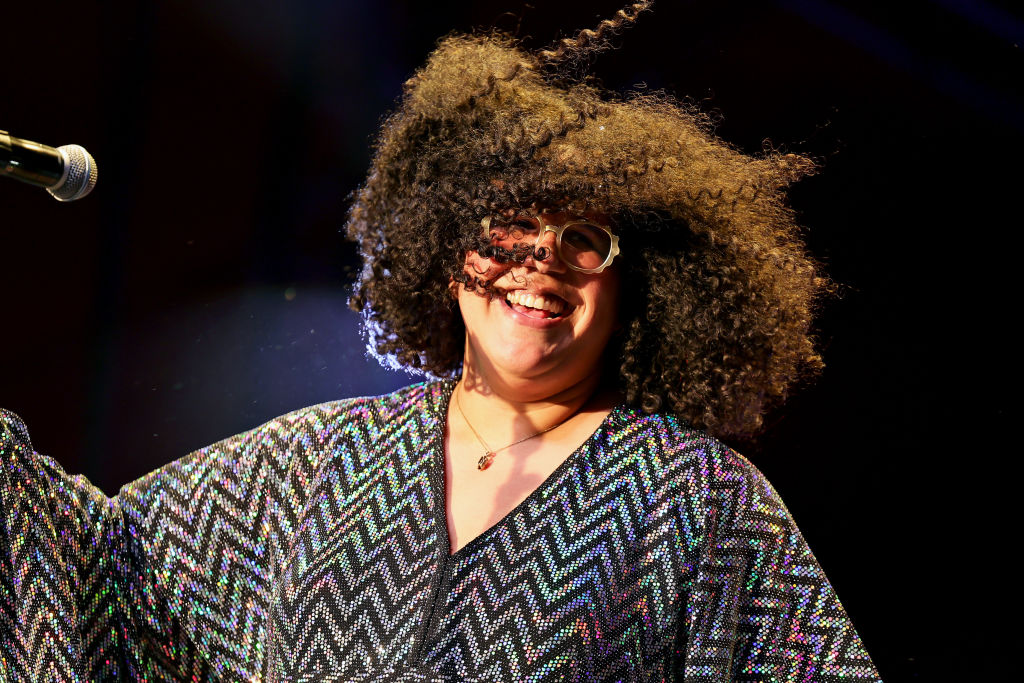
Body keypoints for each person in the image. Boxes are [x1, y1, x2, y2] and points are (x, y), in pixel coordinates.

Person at [0, 4, 881, 681]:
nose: (541, 258)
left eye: (585, 239)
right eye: (510, 227)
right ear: (447, 257)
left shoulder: (695, 500)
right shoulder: (316, 461)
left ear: (634, 286)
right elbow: (97, 565)